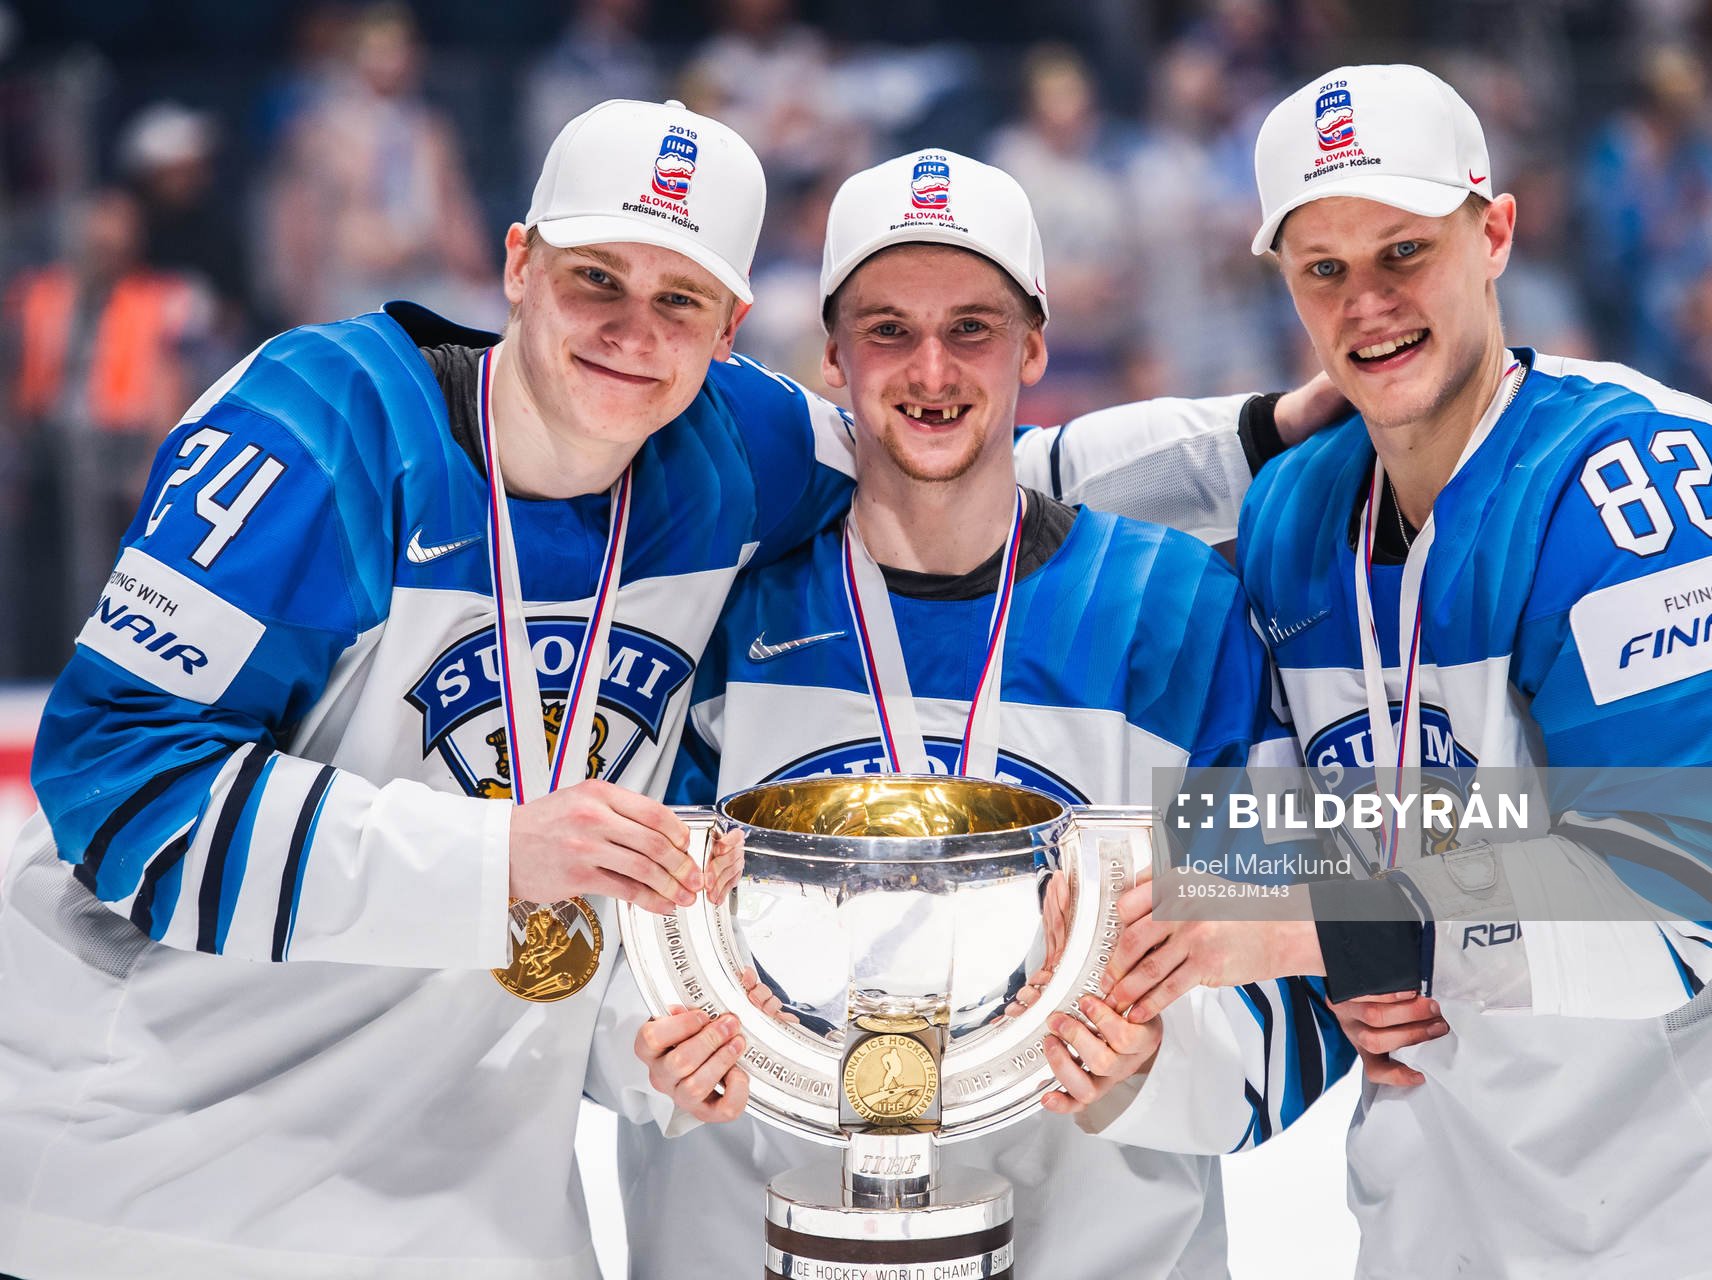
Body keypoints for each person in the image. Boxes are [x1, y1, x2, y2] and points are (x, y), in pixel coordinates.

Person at [0, 99, 1302, 1279]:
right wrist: (544, 909)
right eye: (595, 280)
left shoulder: (1148, 596)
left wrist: (1291, 434)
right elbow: (116, 781)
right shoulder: (344, 434)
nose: (633, 330)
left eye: (680, 300)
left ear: (732, 329)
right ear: (516, 264)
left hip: (461, 1191)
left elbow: (1395, 872)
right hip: (152, 1162)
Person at [1103, 64, 1712, 1277]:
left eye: (1403, 249)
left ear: (1495, 233)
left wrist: (1337, 920)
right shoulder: (1292, 516)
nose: (1367, 301)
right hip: (1469, 1224)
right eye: (1323, 267)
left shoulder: (1637, 470)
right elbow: (1285, 842)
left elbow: (1710, 856)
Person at [615, 150, 1373, 1279]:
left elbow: (1300, 985)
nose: (930, 368)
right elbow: (611, 934)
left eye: (972, 327)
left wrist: (1150, 1065)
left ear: (1032, 345)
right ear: (834, 353)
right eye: (887, 328)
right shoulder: (719, 598)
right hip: (750, 1236)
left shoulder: (1171, 608)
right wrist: (647, 1062)